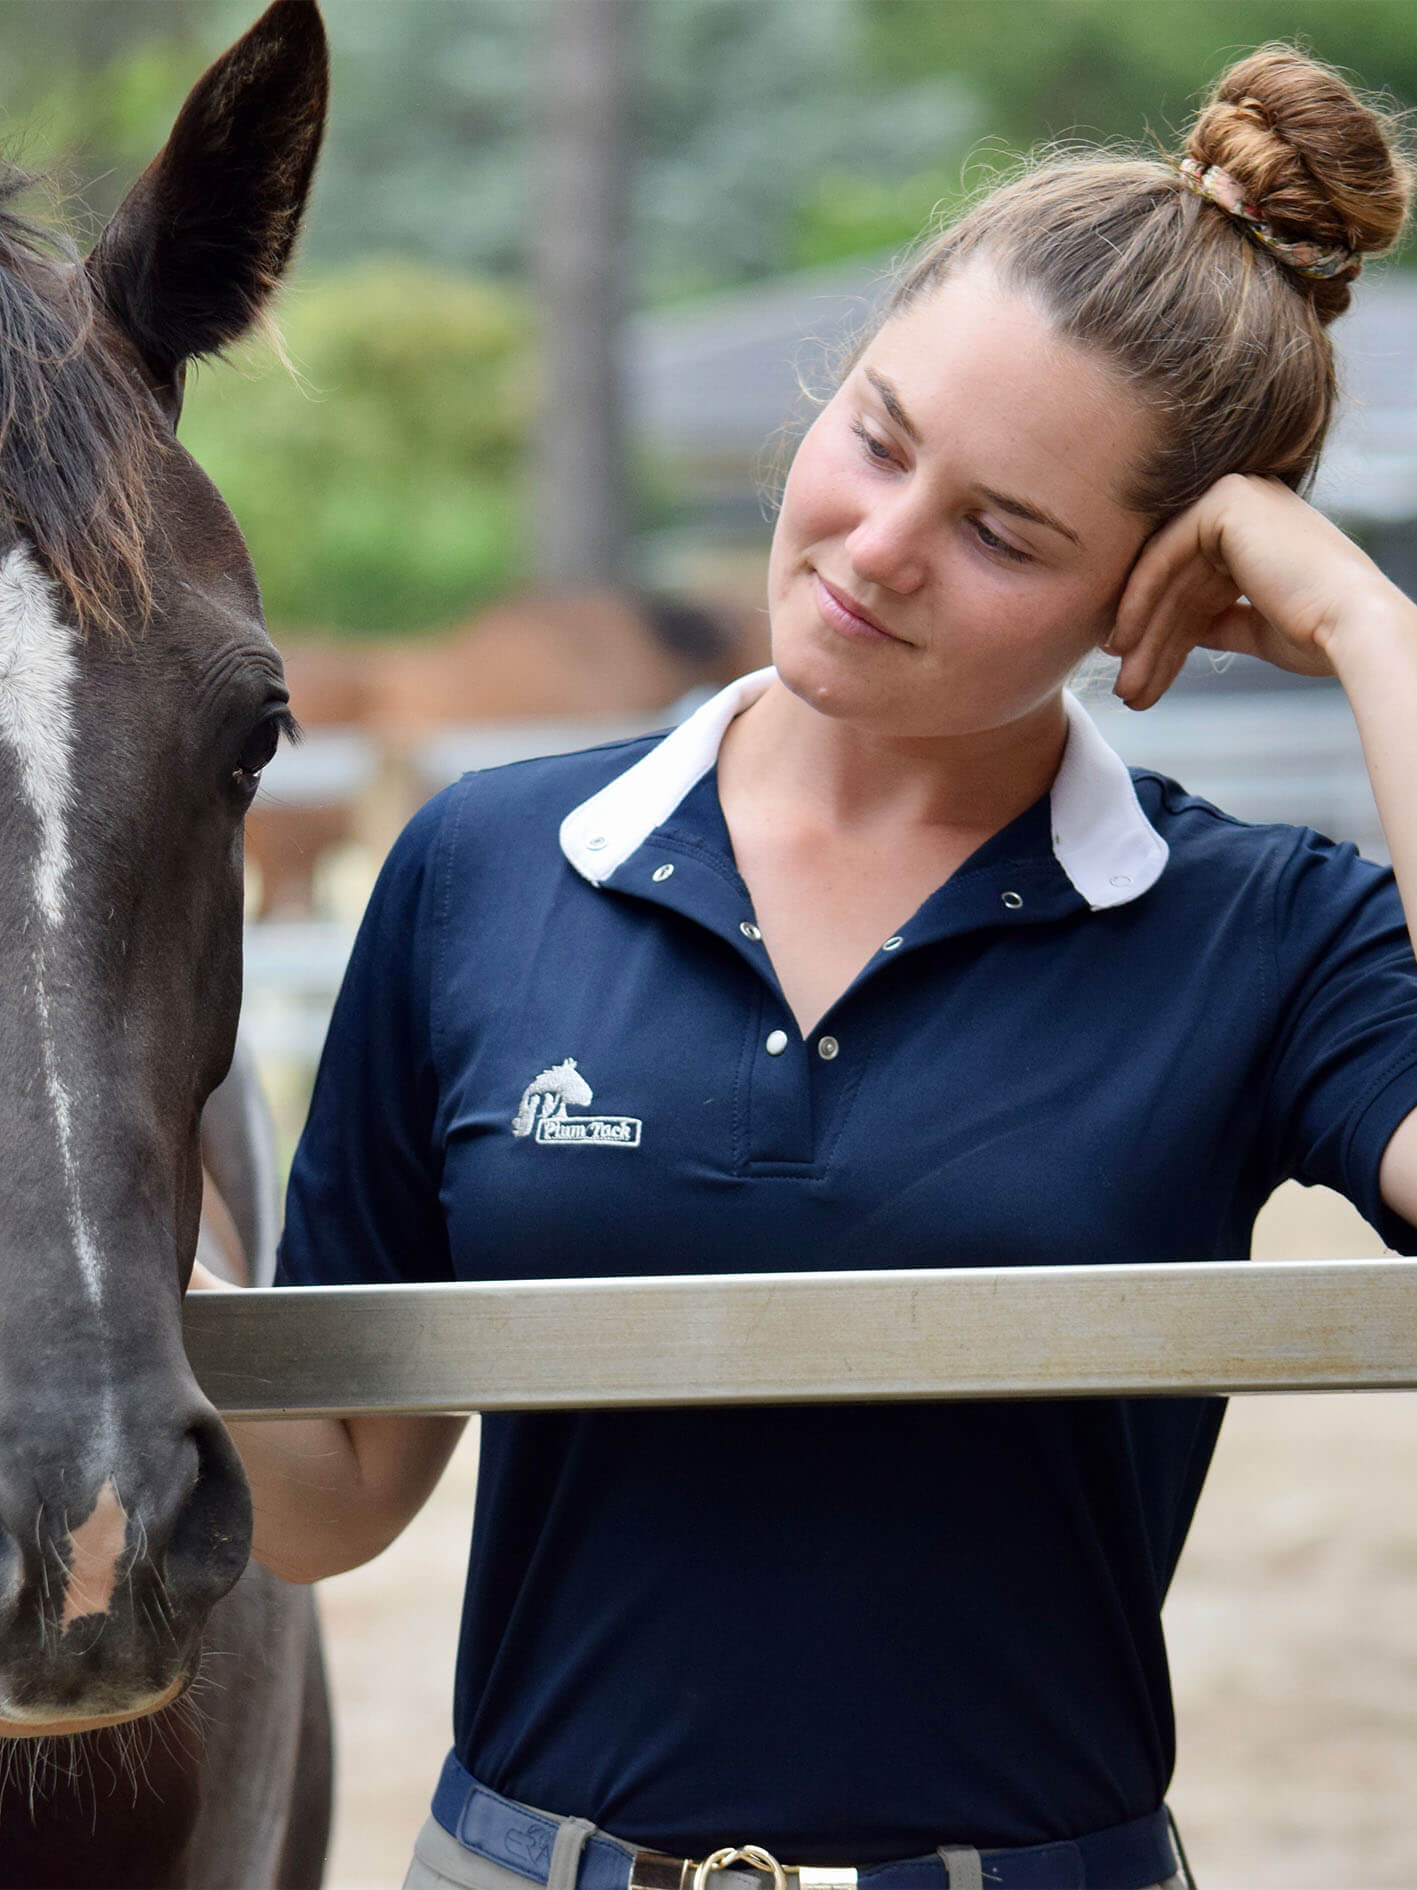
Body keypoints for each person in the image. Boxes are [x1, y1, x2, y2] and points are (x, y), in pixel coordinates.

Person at [195, 42, 1417, 1890]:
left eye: (1003, 532)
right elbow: (333, 1493)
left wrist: (1366, 618)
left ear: (1156, 583)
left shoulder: (1257, 926)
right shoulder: (486, 866)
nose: (879, 549)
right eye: (876, 435)